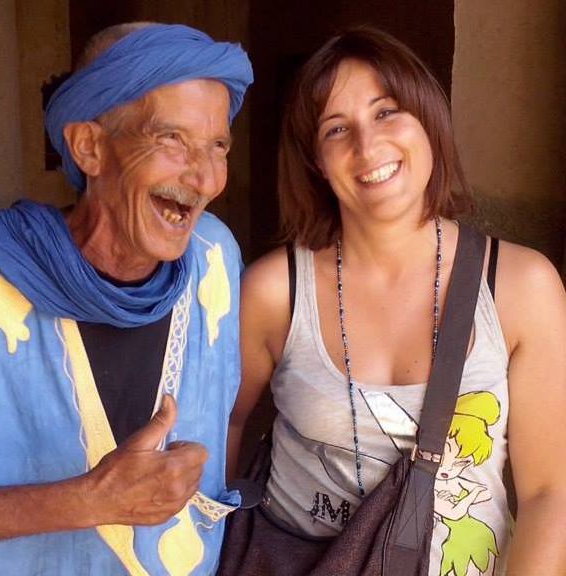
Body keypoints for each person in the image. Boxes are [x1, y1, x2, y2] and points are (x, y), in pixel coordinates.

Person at [228, 28, 566, 575]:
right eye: (337, 129)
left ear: (428, 119)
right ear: (316, 161)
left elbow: (551, 493)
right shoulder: (274, 291)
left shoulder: (521, 286)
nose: (367, 146)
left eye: (387, 112)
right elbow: (220, 427)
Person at [0, 22, 252, 575]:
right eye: (171, 139)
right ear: (89, 147)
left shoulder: (214, 257)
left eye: (218, 146)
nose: (205, 178)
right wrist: (89, 500)